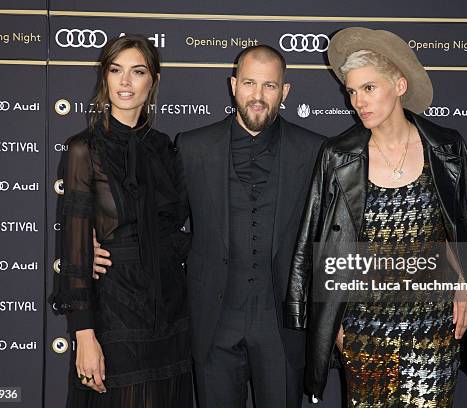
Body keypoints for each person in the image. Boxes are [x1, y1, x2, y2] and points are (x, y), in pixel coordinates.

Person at [94, 44, 325, 408]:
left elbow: (332, 234)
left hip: (283, 327)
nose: (258, 96)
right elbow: (163, 224)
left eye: (269, 85)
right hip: (213, 322)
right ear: (233, 85)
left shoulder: (315, 150)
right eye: (249, 83)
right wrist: (97, 245)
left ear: (285, 91)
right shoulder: (192, 147)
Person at [285, 27, 467, 407]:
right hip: (364, 322)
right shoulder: (338, 155)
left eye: (368, 88)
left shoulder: (445, 148)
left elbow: (457, 228)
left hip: (433, 322)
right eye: (351, 91)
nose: (357, 102)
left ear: (399, 85)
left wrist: (465, 284)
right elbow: (320, 241)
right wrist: (335, 323)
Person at [49, 34, 192, 407]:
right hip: (114, 315)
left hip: (171, 317)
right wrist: (84, 336)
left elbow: (184, 228)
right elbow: (75, 249)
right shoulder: (84, 149)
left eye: (137, 71)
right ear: (105, 78)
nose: (125, 82)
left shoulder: (167, 148)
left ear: (154, 81)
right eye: (116, 71)